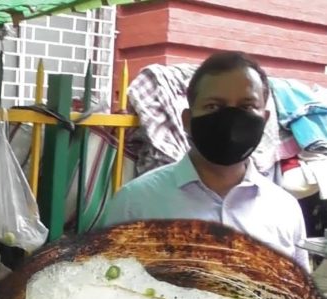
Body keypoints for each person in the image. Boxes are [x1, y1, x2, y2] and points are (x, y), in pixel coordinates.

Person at [102, 51, 310, 270]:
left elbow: (299, 298)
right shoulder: (136, 202)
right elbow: (107, 289)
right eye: (213, 106)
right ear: (187, 120)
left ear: (265, 120)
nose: (231, 120)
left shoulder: (285, 210)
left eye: (247, 107)